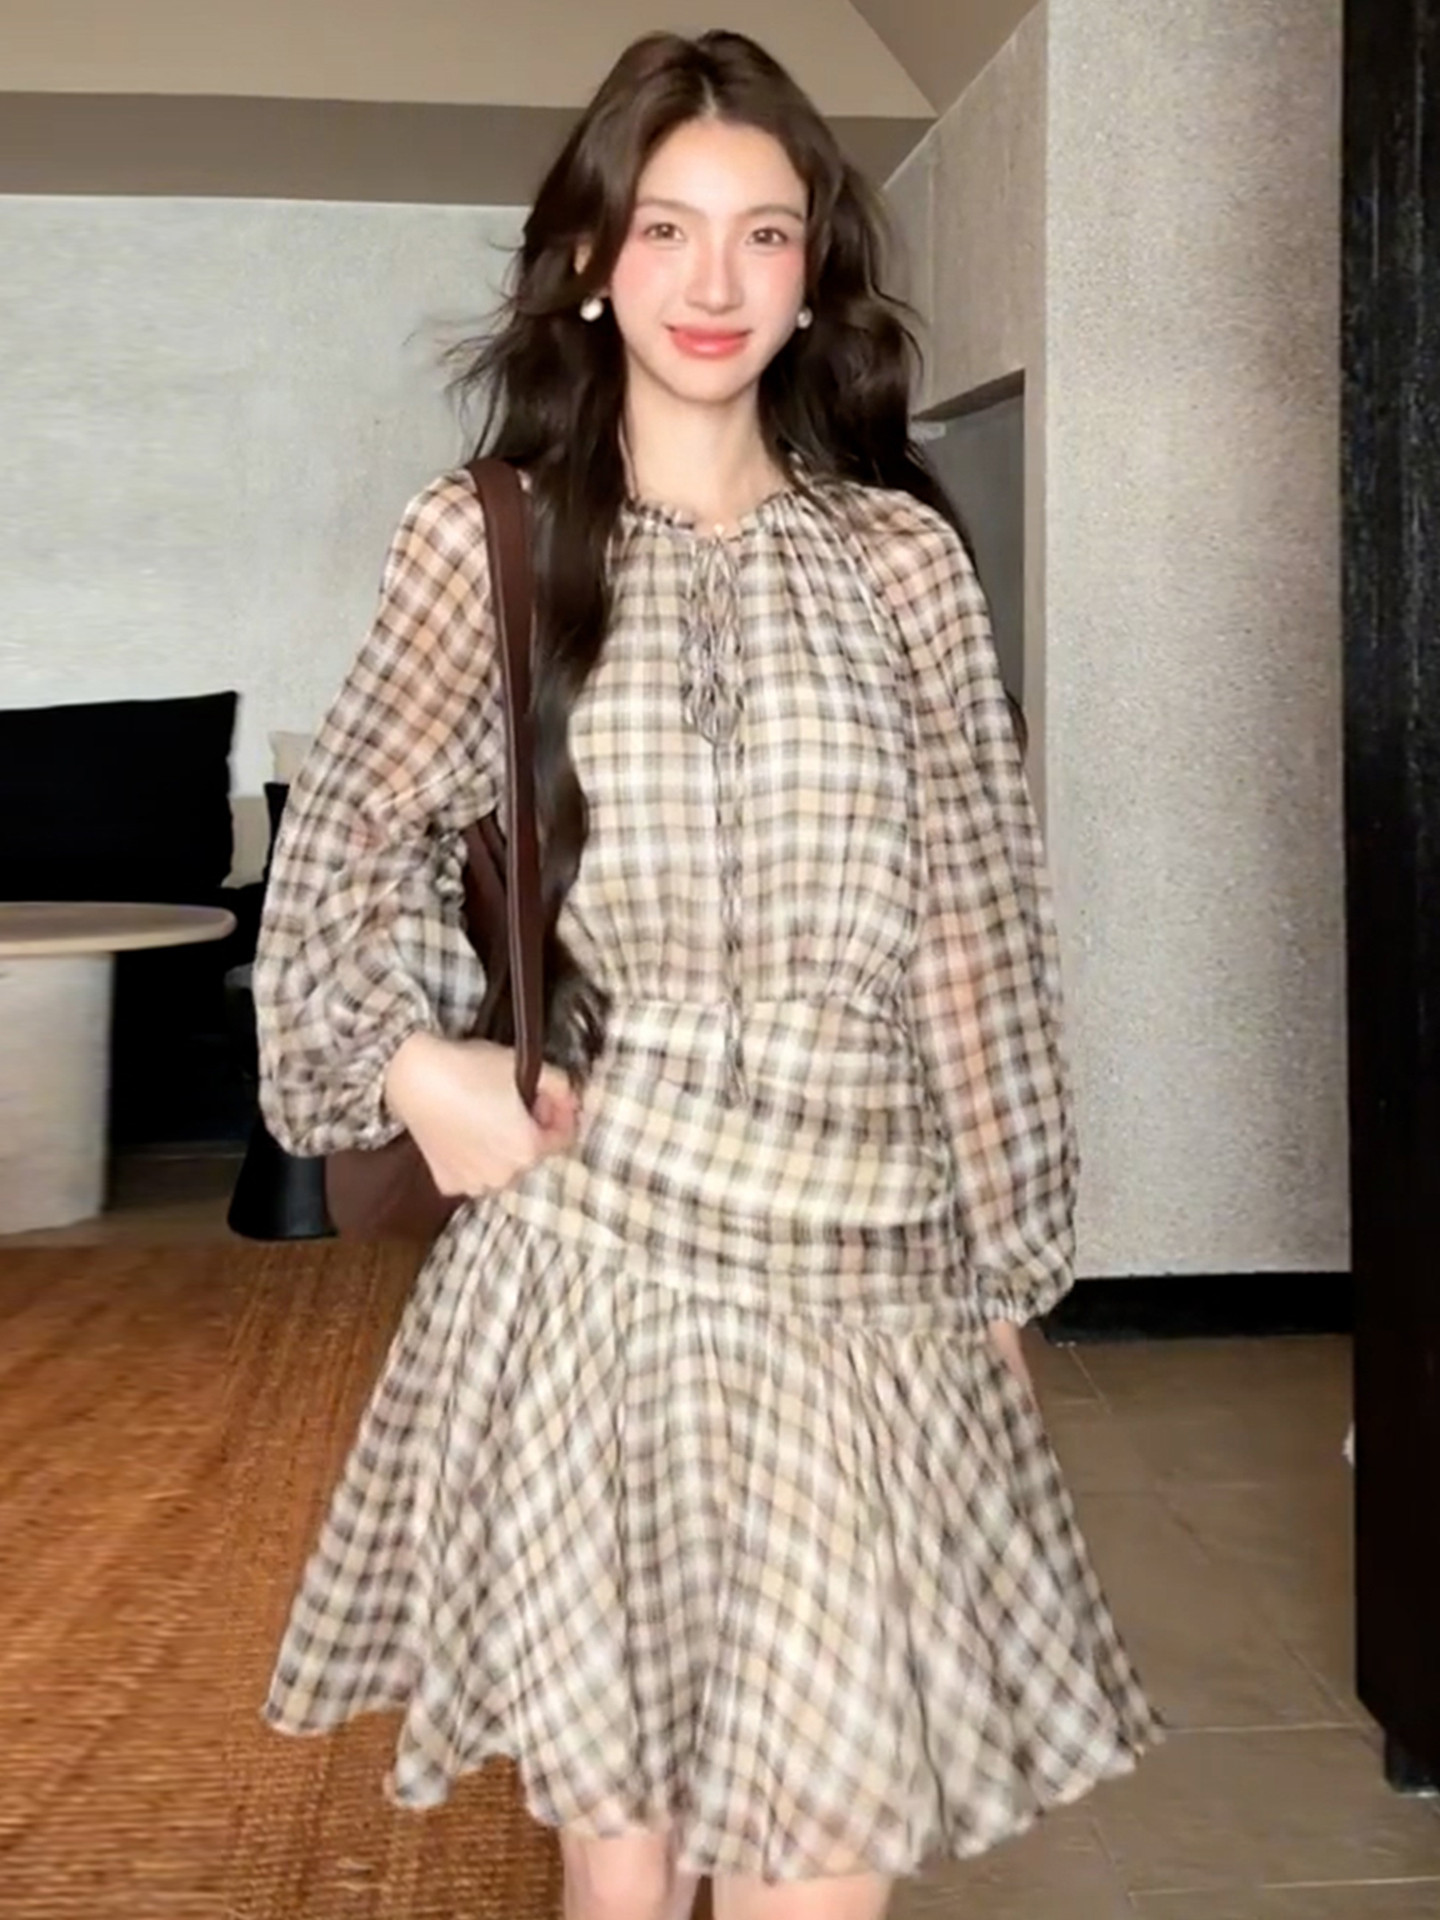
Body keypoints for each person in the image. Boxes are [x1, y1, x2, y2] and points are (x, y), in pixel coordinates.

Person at [253, 29, 1159, 1920]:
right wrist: (415, 1063)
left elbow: (979, 928)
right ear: (595, 259)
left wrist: (1007, 1264)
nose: (714, 281)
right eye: (667, 228)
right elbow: (347, 850)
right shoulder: (489, 541)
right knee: (631, 1850)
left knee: (823, 1839)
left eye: (764, 233)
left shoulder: (903, 562)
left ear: (816, 273)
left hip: (866, 1267)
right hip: (605, 1246)